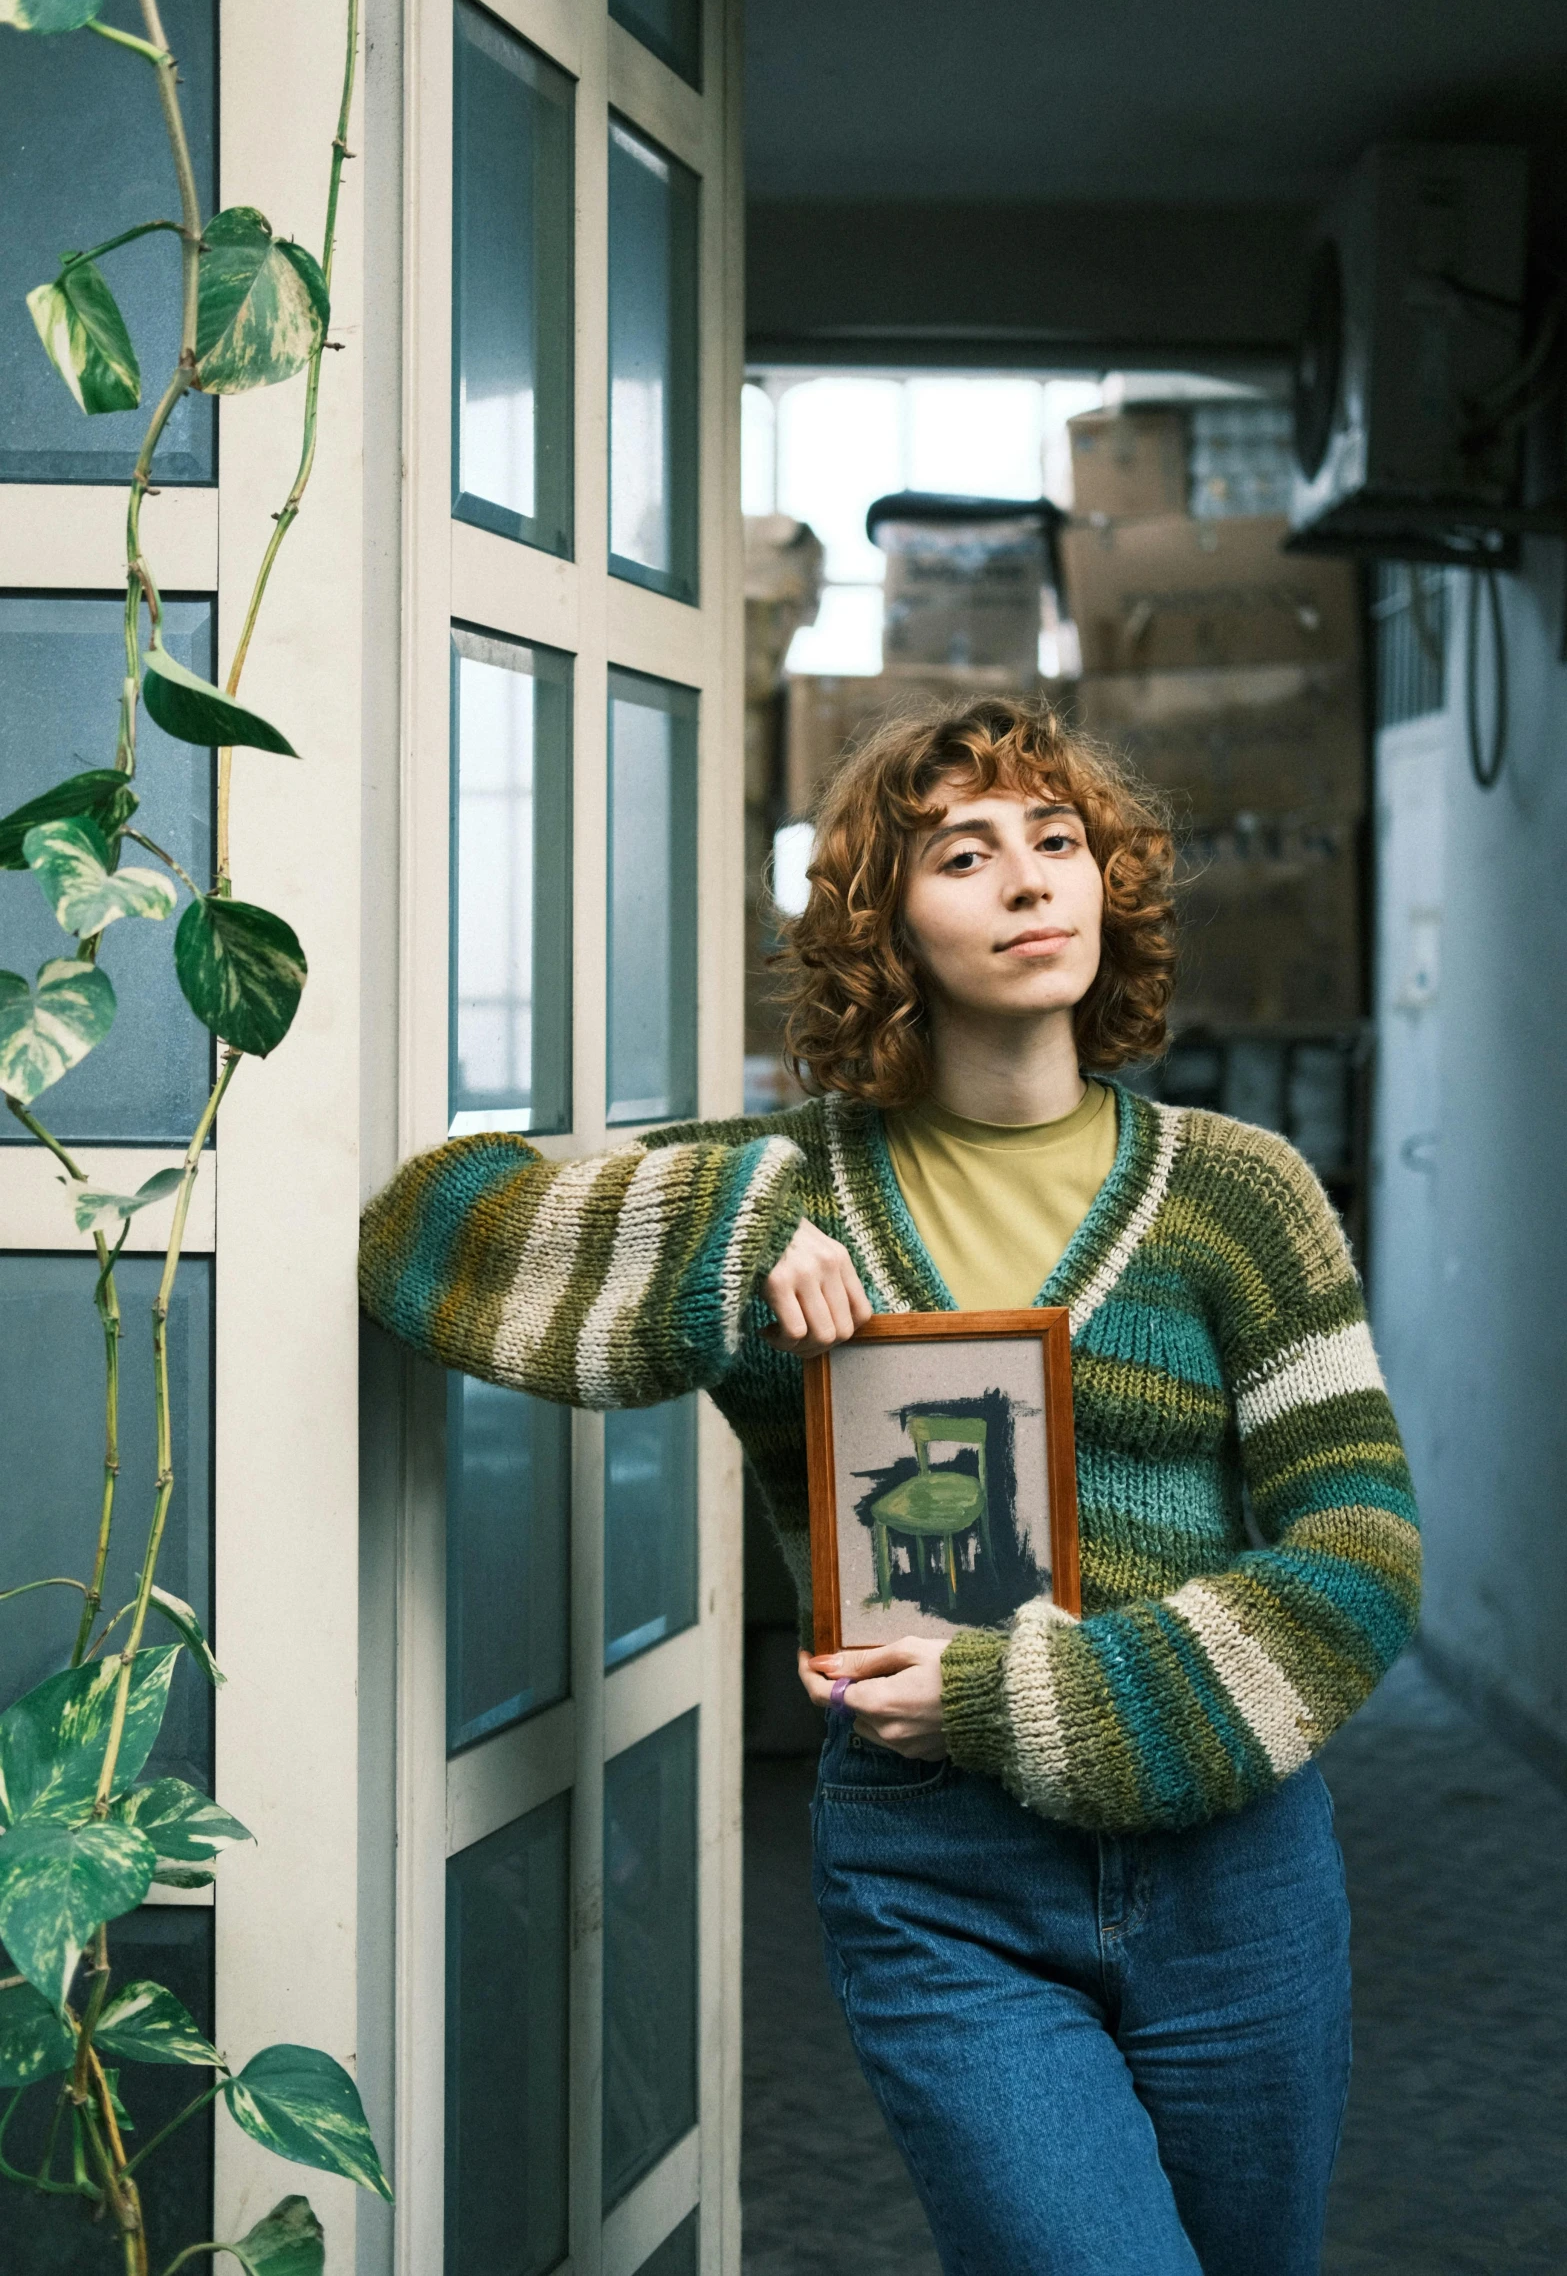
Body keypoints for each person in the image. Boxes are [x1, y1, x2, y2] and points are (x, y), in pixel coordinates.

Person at [360, 699, 1419, 2276]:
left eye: (1056, 841)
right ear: (885, 923)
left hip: (1235, 1871)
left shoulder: (1238, 1194)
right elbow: (416, 1235)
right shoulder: (792, 1187)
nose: (1026, 881)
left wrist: (1038, 1691)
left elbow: (1359, 1555)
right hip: (941, 1881)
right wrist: (715, 1246)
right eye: (962, 853)